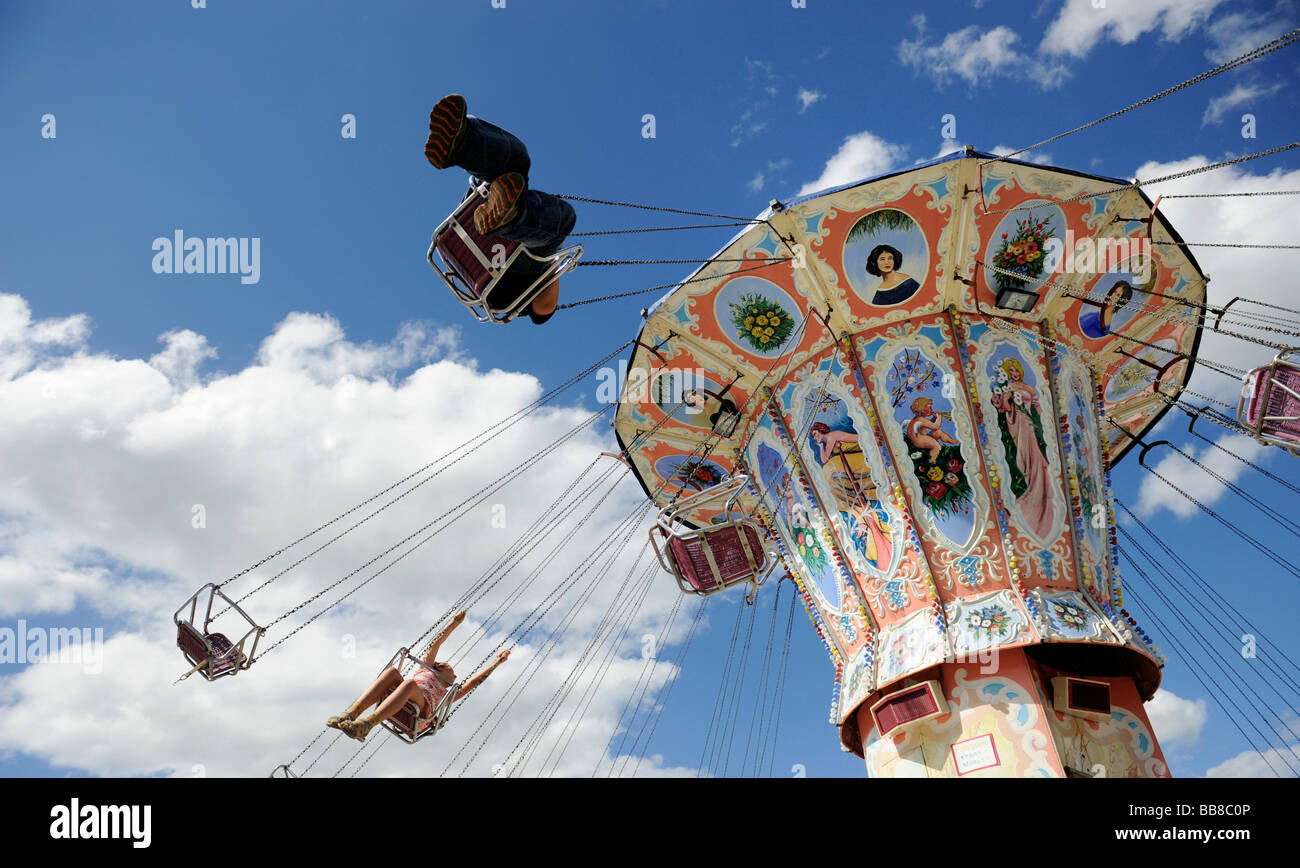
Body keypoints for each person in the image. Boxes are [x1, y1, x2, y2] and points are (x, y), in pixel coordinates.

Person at [426, 94, 577, 324]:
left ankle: (511, 213)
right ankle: (461, 143)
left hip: (504, 272)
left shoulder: (526, 304)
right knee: (517, 161)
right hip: (479, 238)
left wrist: (556, 263)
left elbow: (544, 308)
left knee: (563, 220)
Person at [326, 610, 509, 741]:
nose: (455, 674)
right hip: (408, 696)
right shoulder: (426, 669)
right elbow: (434, 645)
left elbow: (473, 682)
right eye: (451, 670)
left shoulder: (447, 695)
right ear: (439, 668)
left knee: (410, 685)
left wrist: (496, 663)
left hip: (420, 714)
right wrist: (454, 624)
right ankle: (350, 714)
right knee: (393, 672)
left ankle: (366, 725)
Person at [906, 397, 959, 462]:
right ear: (922, 409)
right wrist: (939, 418)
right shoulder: (920, 419)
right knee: (936, 445)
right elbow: (935, 427)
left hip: (922, 437)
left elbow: (929, 424)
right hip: (919, 440)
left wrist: (934, 418)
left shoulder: (919, 419)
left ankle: (952, 441)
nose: (932, 409)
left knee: (939, 432)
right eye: (930, 408)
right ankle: (932, 461)